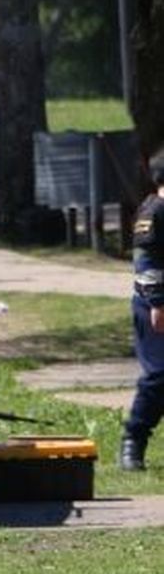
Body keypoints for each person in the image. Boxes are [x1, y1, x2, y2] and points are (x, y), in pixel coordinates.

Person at [121, 150, 164, 470]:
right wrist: (157, 302)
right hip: (156, 307)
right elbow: (146, 261)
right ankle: (133, 440)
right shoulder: (154, 211)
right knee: (159, 376)